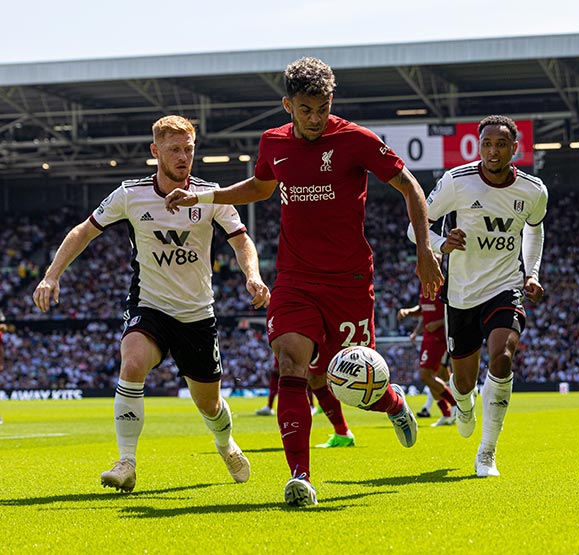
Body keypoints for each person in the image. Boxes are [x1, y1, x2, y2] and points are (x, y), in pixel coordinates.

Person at [165, 57, 443, 506]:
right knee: (291, 363)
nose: (315, 118)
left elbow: (409, 186)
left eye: (323, 107)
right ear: (288, 104)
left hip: (350, 280)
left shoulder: (355, 139)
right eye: (306, 109)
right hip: (295, 277)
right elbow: (260, 187)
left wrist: (424, 249)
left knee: (347, 385)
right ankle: (300, 478)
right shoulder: (273, 141)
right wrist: (202, 196)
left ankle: (391, 403)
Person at [32, 115, 270, 493]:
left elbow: (241, 240)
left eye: (188, 149)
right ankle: (126, 461)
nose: (183, 157)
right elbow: (84, 230)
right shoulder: (131, 194)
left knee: (208, 404)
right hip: (149, 305)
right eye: (174, 149)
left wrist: (252, 275)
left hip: (196, 314)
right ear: (154, 151)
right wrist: (51, 274)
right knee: (132, 363)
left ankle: (225, 444)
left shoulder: (211, 195)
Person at [408, 114, 548, 477]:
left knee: (502, 357)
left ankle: (487, 452)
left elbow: (535, 230)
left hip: (505, 286)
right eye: (487, 143)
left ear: (514, 148)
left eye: (501, 144)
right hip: (461, 294)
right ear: (477, 146)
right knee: (464, 381)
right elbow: (415, 229)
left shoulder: (533, 190)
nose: (493, 151)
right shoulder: (457, 181)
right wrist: (441, 243)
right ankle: (463, 402)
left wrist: (531, 273)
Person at [397, 287, 457, 427]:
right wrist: (410, 312)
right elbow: (423, 311)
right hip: (428, 336)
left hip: (439, 336)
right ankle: (446, 413)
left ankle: (455, 406)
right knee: (430, 377)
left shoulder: (443, 287)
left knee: (425, 375)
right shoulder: (424, 288)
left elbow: (453, 312)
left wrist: (437, 324)